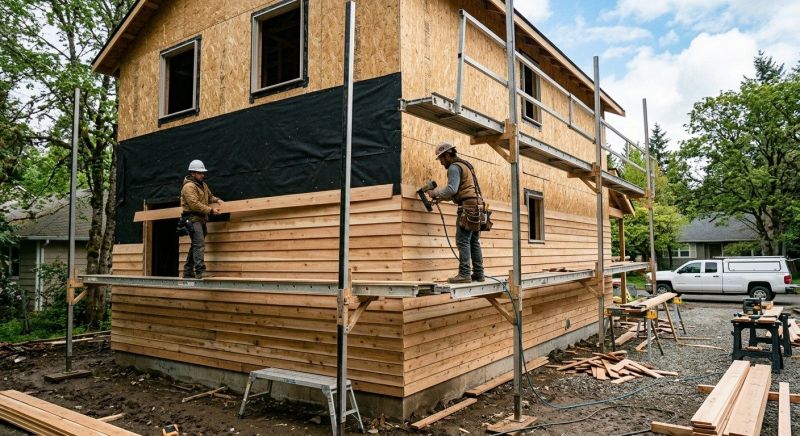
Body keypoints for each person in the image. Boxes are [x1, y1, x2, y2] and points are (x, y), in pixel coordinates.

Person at [426, 142, 485, 283]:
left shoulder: (453, 167)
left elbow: (452, 189)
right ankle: (479, 274)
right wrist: (441, 197)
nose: (441, 162)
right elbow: (460, 191)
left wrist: (435, 193)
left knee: (462, 240)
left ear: (447, 155)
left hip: (468, 207)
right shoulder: (466, 165)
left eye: (441, 158)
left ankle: (464, 274)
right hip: (477, 205)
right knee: (474, 241)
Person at [180, 159, 223, 279]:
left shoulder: (203, 185)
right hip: (192, 219)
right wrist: (210, 210)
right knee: (199, 244)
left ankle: (188, 271)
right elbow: (194, 204)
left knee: (196, 244)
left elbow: (210, 197)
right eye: (200, 173)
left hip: (201, 219)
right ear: (193, 173)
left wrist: (217, 200)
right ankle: (200, 272)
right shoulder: (188, 186)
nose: (202, 175)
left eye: (203, 173)